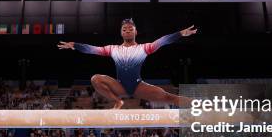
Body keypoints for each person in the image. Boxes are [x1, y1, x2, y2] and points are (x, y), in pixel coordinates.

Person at [58, 19, 197, 109]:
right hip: (119, 86)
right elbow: (91, 49)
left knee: (169, 97)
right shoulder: (113, 49)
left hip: (138, 86)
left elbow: (162, 41)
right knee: (95, 79)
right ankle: (118, 101)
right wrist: (75, 45)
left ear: (136, 31)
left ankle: (199, 105)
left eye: (130, 29)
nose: (127, 30)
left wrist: (180, 34)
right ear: (121, 33)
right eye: (124, 29)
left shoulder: (144, 48)